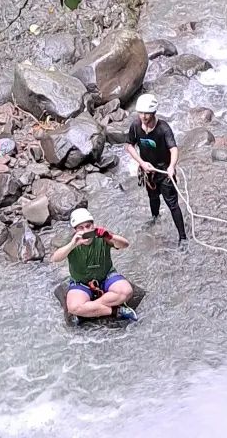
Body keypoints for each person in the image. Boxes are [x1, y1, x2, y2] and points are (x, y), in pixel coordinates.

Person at [51, 207, 137, 322]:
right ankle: (115, 311)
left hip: (106, 276)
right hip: (81, 282)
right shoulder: (72, 241)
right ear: (75, 230)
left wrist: (110, 237)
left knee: (126, 291)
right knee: (73, 307)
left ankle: (88, 310)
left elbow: (125, 244)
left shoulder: (102, 236)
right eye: (81, 228)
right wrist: (72, 245)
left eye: (88, 226)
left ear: (93, 225)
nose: (85, 230)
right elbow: (55, 258)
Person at [125, 93, 186, 242]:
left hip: (164, 172)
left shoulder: (163, 128)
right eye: (141, 113)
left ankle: (183, 237)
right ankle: (155, 218)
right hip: (149, 172)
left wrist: (171, 166)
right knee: (152, 197)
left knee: (172, 204)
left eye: (147, 113)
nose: (144, 116)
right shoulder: (135, 126)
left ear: (154, 112)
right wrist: (141, 162)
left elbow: (173, 149)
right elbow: (129, 146)